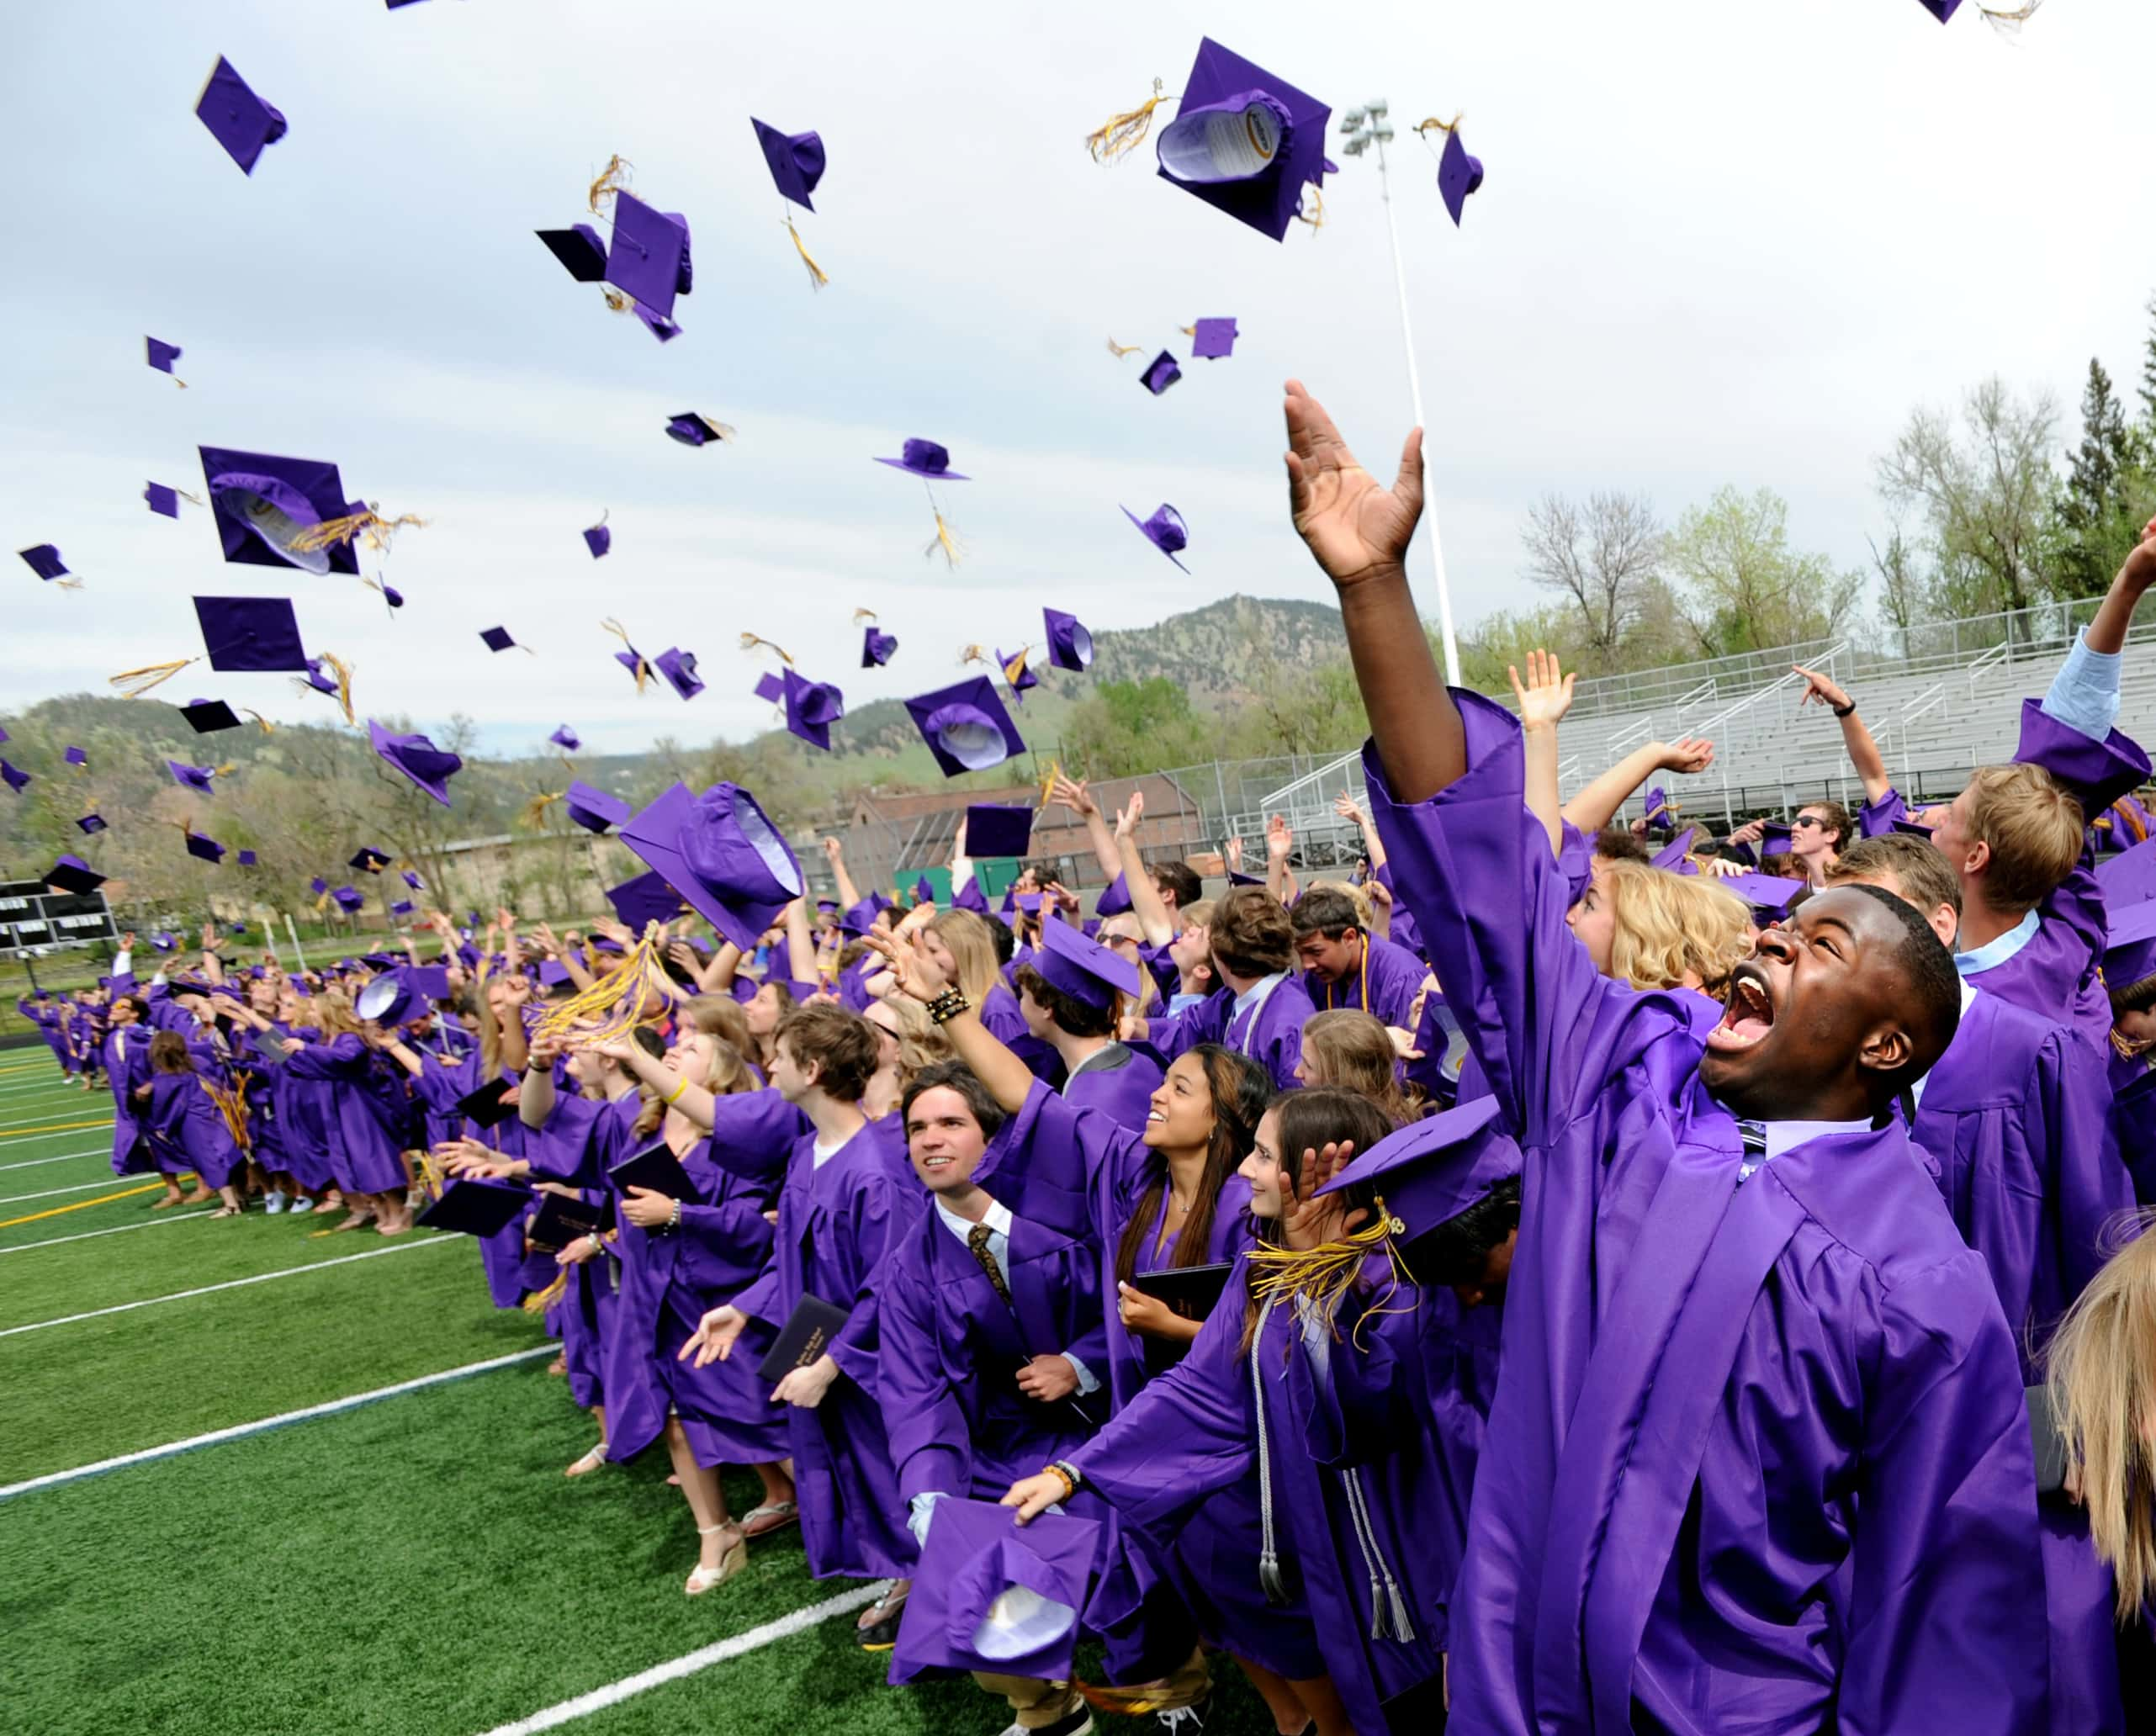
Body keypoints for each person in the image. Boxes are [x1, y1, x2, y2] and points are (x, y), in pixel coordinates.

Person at [1281, 377, 2046, 1733]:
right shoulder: (1618, 1099)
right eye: (1786, 922)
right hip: (1518, 1693)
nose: (1771, 945)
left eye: (1819, 942)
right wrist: (1372, 595)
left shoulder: (1921, 1293)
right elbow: (1486, 887)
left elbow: (1937, 1622)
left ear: (1883, 1039)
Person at [868, 928, 1273, 1729]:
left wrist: (1150, 1334)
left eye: (1178, 1086)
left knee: (1245, 1607)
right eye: (917, 1129)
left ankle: (1196, 1691)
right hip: (1119, 1421)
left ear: (1224, 1116)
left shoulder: (1245, 1208)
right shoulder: (1133, 1174)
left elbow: (1265, 1337)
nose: (1154, 1092)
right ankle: (1053, 1706)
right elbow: (1029, 1096)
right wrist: (945, 1005)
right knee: (1022, 1568)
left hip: (1214, 1425)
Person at [1005, 1089, 1454, 1736]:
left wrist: (1316, 1273)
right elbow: (1200, 1385)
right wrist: (1073, 1473)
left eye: (1262, 1154)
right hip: (1315, 1537)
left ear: (1317, 1179)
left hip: (1395, 1549)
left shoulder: (1396, 1284)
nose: (1243, 1169)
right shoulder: (1264, 1262)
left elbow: (1361, 1417)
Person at [1828, 834, 2143, 1732]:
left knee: (2054, 1673)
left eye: (1868, 918)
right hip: (1883, 1451)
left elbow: (2101, 1251)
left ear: (1937, 922)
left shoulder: (2036, 1055)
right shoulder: (1832, 1080)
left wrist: (2099, 1421)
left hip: (2035, 1446)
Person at [877, 1061, 1128, 1736]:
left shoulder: (1066, 1220)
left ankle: (1175, 1675)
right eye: (916, 1128)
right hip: (1000, 1445)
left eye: (950, 1123)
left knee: (1135, 1567)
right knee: (980, 1590)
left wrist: (1082, 1363)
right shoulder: (909, 1267)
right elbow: (915, 1389)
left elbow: (1134, 1309)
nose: (930, 1140)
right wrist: (928, 1491)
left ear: (991, 1137)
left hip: (1109, 1422)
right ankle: (1045, 1709)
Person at [677, 1003, 918, 1643]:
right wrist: (746, 1306)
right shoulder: (808, 1151)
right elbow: (796, 1258)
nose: (767, 1065)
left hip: (870, 1364)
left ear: (810, 1069)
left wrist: (831, 1363)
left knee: (893, 1471)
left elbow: (888, 1289)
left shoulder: (875, 1170)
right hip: (819, 1344)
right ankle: (907, 1574)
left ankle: (923, 1583)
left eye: (778, 1057)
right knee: (855, 1470)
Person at [1136, 887, 1312, 1095]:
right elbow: (1187, 1030)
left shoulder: (1291, 1024)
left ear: (1220, 954)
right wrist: (1140, 1028)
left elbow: (1299, 1109)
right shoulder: (1229, 999)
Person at [143, 1029, 248, 1217]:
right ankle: (241, 1196)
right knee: (231, 1154)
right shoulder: (200, 1063)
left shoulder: (164, 1079)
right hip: (218, 1112)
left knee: (209, 1160)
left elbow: (168, 1109)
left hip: (193, 1123)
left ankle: (231, 1205)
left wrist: (162, 1129)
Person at [1288, 884, 1424, 1027]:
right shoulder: (1315, 977)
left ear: (1349, 937)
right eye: (1300, 953)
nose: (1306, 965)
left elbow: (1415, 1047)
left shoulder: (1402, 980)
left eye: (1316, 952)